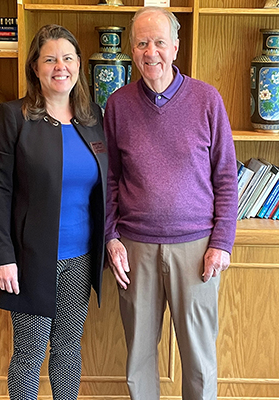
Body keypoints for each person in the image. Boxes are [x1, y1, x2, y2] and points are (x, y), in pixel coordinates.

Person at [104, 6, 238, 400]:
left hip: (197, 250)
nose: (151, 52)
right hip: (135, 248)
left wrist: (221, 242)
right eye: (142, 43)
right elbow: (110, 178)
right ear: (132, 50)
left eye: (159, 42)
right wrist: (111, 237)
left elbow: (226, 177)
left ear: (175, 47)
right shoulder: (118, 105)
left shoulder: (207, 100)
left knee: (198, 360)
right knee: (139, 360)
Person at [0, 24, 107, 400]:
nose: (60, 67)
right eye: (50, 59)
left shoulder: (93, 118)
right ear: (35, 68)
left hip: (81, 258)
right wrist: (3, 257)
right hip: (29, 258)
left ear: (78, 66)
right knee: (30, 353)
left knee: (68, 351)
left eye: (68, 58)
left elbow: (106, 186)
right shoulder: (13, 117)